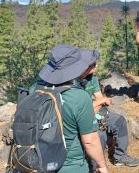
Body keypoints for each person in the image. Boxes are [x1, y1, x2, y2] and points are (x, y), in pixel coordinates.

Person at [31, 44, 108, 173]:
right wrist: (102, 166)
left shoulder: (34, 88)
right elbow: (90, 141)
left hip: (35, 159)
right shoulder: (78, 96)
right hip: (68, 165)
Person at [80, 62, 139, 168]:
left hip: (95, 111)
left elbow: (99, 99)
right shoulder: (75, 82)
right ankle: (96, 167)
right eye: (93, 65)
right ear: (84, 67)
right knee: (100, 135)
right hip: (83, 116)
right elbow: (81, 109)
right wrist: (100, 102)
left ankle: (120, 156)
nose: (96, 66)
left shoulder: (92, 78)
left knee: (120, 121)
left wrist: (97, 105)